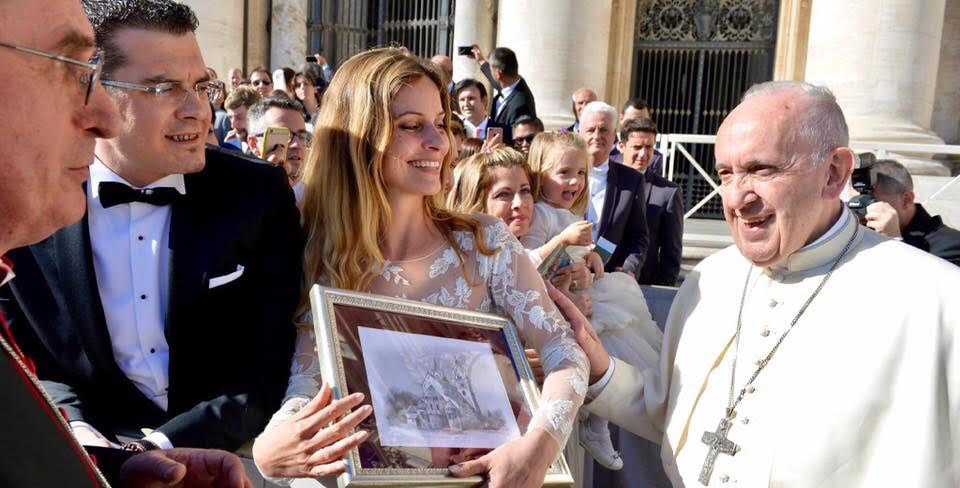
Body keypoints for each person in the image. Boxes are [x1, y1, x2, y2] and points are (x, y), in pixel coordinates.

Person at [577, 81, 960, 486]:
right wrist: (596, 365)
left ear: (833, 174)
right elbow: (671, 412)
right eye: (726, 174)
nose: (736, 199)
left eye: (761, 170)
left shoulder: (938, 301)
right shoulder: (712, 278)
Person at [254, 47, 591, 488]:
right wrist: (275, 443)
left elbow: (565, 351)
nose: (439, 142)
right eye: (412, 126)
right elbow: (309, 384)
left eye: (441, 123)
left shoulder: (485, 242)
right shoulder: (313, 248)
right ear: (359, 136)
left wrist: (540, 446)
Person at [4, 0, 301, 455]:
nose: (198, 111)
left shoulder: (257, 193)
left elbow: (272, 358)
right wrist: (78, 433)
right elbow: (26, 357)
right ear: (95, 89)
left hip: (228, 453)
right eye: (164, 88)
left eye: (201, 86)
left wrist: (163, 446)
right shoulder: (29, 198)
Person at [577, 101, 649, 274]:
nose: (597, 136)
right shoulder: (563, 176)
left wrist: (629, 267)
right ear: (579, 133)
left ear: (614, 136)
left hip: (608, 276)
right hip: (565, 274)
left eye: (603, 130)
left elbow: (638, 236)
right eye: (590, 130)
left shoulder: (631, 180)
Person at [618, 117, 683, 285]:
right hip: (601, 278)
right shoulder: (609, 182)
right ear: (621, 146)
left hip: (644, 286)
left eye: (649, 147)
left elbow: (671, 252)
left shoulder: (668, 192)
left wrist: (660, 291)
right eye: (637, 147)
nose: (643, 154)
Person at [864, 159, 960, 266]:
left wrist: (893, 240)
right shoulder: (859, 237)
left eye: (871, 202)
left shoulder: (952, 245)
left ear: (906, 200)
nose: (861, 210)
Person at [245, 96, 309, 188]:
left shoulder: (323, 190)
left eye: (302, 135)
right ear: (254, 144)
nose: (296, 144)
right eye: (284, 134)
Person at [471, 45, 537, 128]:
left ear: (498, 74)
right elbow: (496, 80)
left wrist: (483, 124)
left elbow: (516, 133)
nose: (491, 72)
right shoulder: (515, 84)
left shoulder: (520, 105)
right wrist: (481, 60)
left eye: (491, 70)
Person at [454, 77, 511, 143]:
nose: (466, 104)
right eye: (462, 100)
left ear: (484, 101)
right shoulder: (453, 132)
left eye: (471, 98)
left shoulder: (505, 132)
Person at [221, 84, 260, 149]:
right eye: (230, 118)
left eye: (239, 118)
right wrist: (228, 149)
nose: (233, 126)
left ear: (256, 114)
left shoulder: (270, 145)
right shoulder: (232, 143)